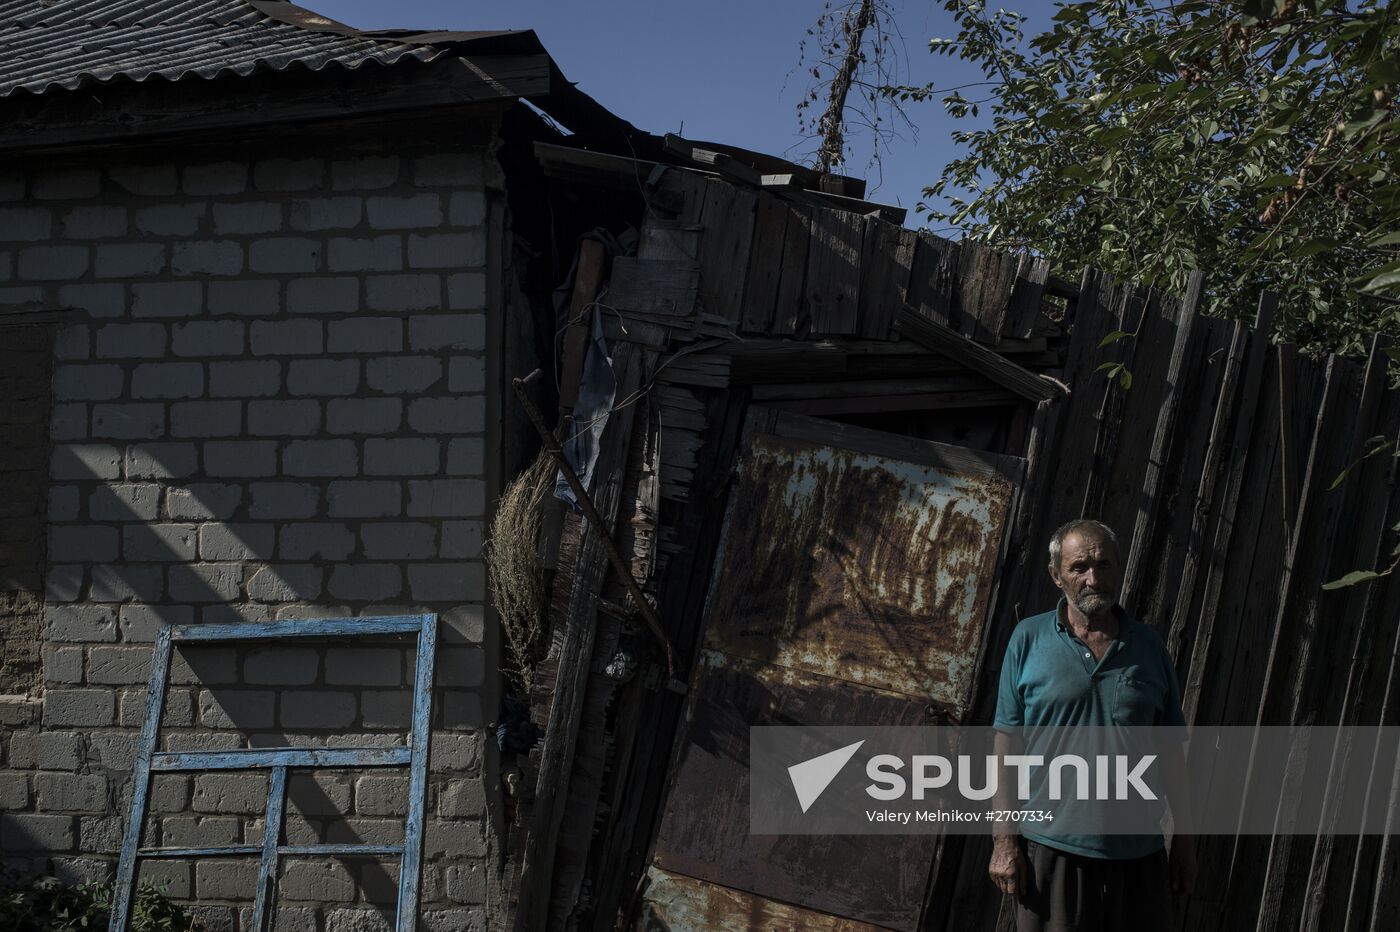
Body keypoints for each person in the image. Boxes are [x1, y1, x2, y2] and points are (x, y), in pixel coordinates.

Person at [987, 518, 1196, 931]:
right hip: (1051, 853)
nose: (1092, 578)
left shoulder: (1149, 649)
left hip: (1138, 858)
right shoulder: (1028, 640)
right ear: (1056, 575)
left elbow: (1172, 754)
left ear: (1118, 569)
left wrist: (1186, 842)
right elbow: (1005, 749)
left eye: (1102, 565)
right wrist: (1004, 840)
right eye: (1078, 567)